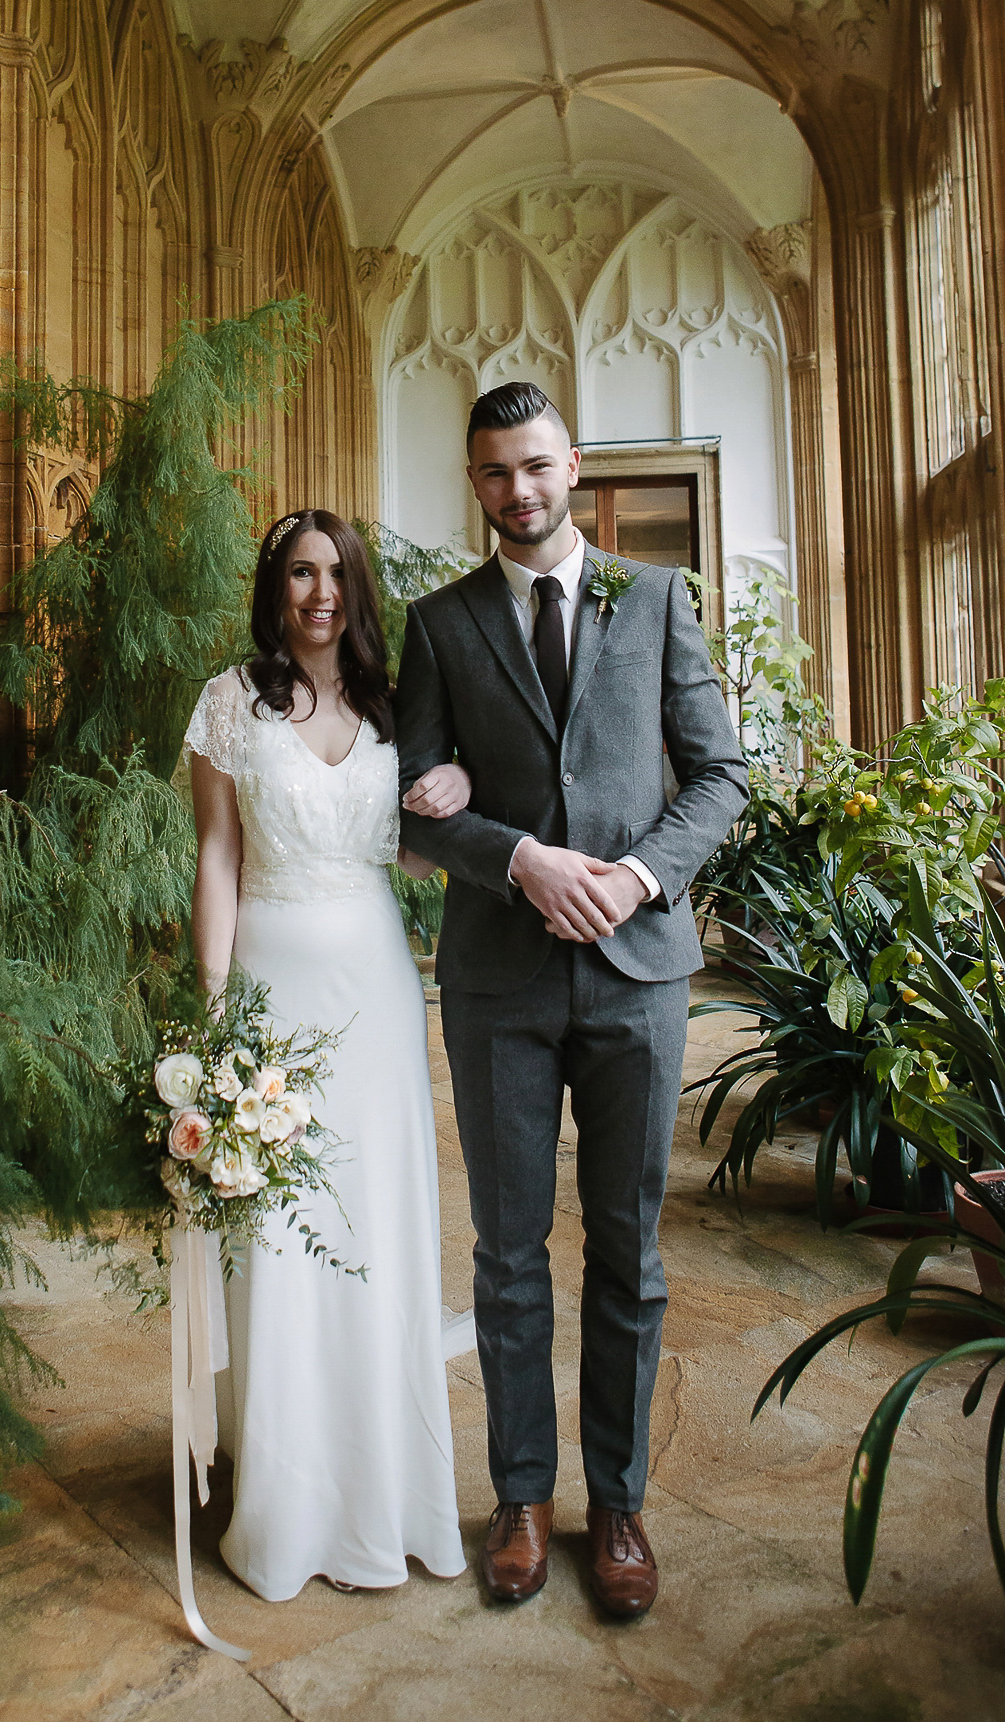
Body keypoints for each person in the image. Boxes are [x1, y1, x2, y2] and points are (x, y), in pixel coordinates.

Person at [395, 382, 748, 1618]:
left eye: (537, 466)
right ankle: (524, 1500)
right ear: (475, 481)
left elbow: (720, 778)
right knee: (505, 1255)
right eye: (495, 473)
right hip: (499, 981)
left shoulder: (655, 600)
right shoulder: (436, 624)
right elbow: (415, 806)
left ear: (574, 464)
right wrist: (520, 862)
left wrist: (641, 873)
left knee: (630, 1254)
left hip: (640, 978)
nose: (520, 492)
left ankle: (623, 1505)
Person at [184, 508, 470, 1602]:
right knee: (277, 1233)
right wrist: (215, 1009)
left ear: (357, 587)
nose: (318, 592)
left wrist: (458, 796)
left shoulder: (399, 709)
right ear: (276, 588)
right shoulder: (229, 703)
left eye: (335, 573)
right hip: (269, 981)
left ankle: (384, 1482)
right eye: (299, 574)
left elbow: (421, 848)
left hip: (378, 993)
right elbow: (216, 857)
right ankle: (287, 1487)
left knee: (372, 1217)